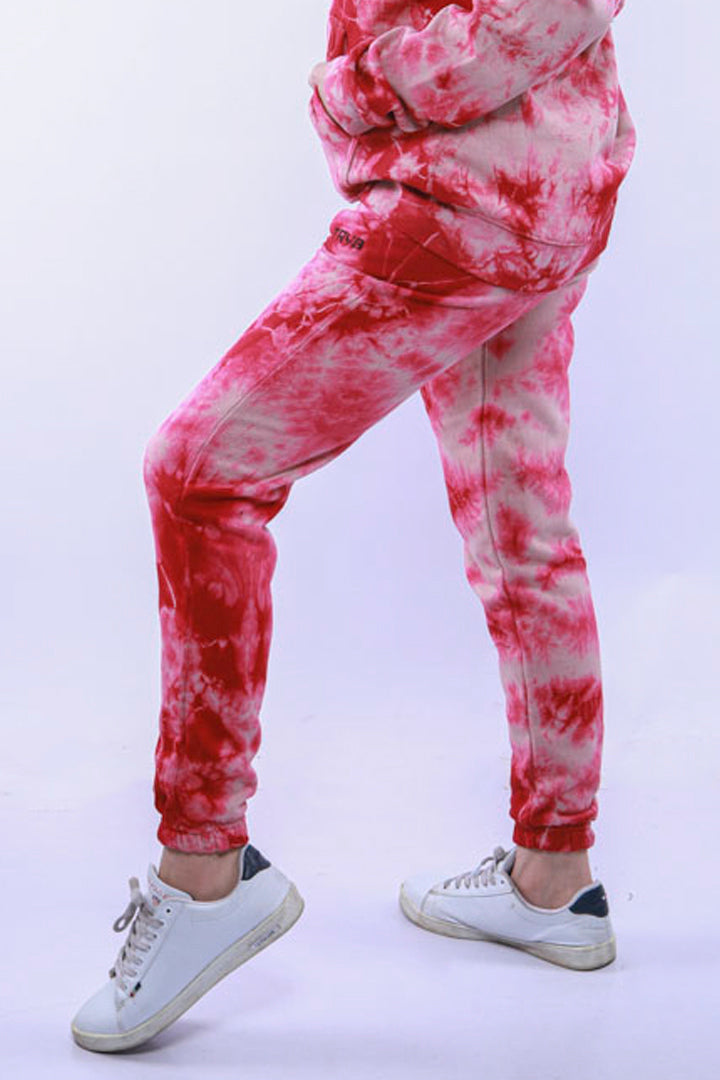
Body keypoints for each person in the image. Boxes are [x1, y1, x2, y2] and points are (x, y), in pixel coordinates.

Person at [71, 0, 637, 1053]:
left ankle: (204, 871)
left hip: (465, 203)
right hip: (539, 190)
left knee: (198, 474)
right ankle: (555, 878)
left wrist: (355, 90)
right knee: (522, 532)